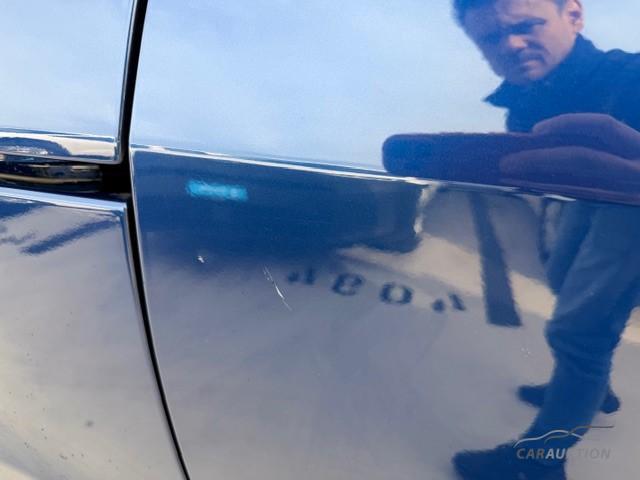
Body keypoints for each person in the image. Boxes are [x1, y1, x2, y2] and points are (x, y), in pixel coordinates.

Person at [451, 1, 640, 479]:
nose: (511, 44)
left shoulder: (631, 75)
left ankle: (538, 463)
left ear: (573, 15)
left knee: (579, 333)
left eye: (526, 25)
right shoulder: (525, 98)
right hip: (590, 201)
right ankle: (592, 387)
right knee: (561, 278)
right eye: (491, 38)